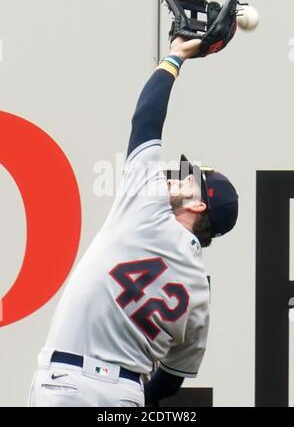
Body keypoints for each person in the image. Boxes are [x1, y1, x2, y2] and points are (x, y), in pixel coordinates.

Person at [28, 37, 238, 407]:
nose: (175, 177)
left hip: (66, 384)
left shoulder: (148, 207)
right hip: (125, 396)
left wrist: (176, 56)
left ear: (199, 206)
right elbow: (174, 377)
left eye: (188, 179)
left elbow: (146, 119)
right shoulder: (200, 293)